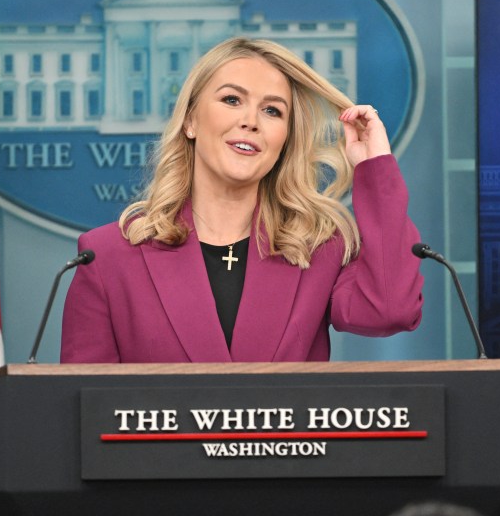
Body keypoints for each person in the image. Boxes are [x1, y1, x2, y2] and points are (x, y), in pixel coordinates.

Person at [60, 37, 423, 363]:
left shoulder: (320, 249)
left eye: (272, 111)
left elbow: (389, 311)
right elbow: (83, 409)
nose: (251, 121)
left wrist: (375, 167)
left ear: (284, 140)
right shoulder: (106, 256)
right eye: (232, 100)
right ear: (190, 122)